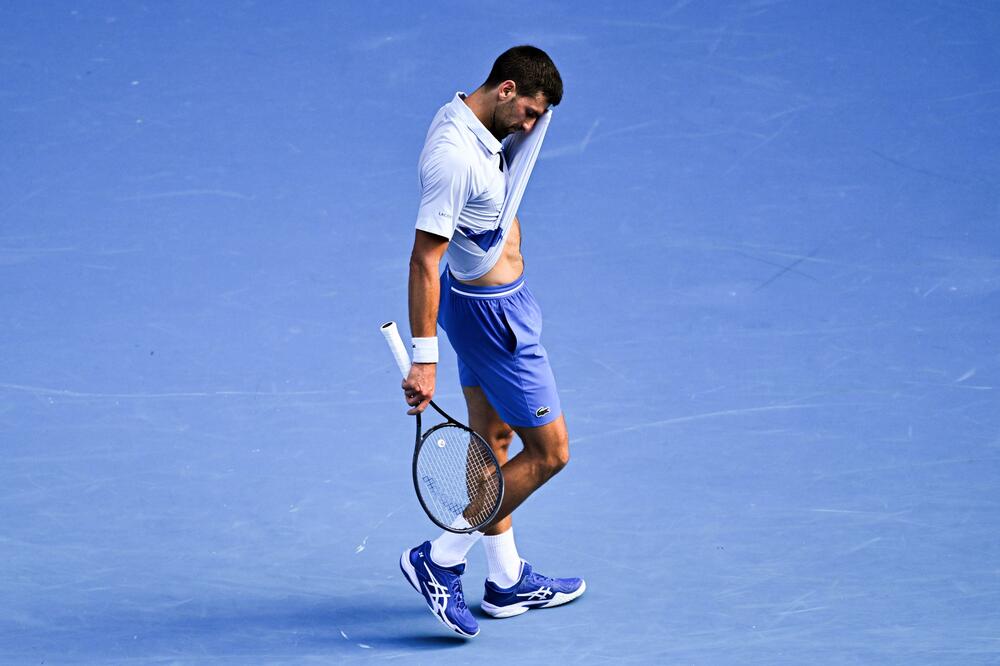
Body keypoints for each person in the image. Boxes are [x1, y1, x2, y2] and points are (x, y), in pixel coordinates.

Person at [397, 45, 585, 638]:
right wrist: (424, 363)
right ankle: (442, 556)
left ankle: (504, 581)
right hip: (495, 322)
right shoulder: (456, 158)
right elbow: (426, 261)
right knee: (551, 453)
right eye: (527, 112)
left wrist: (540, 106)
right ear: (505, 89)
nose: (531, 127)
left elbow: (537, 107)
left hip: (482, 308)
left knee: (493, 441)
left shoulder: (479, 117)